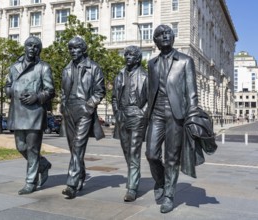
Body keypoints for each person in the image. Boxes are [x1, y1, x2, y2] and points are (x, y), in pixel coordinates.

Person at [145, 24, 199, 213]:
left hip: (177, 114)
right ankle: (160, 181)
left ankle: (169, 194)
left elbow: (192, 92)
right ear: (156, 41)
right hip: (156, 113)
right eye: (160, 34)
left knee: (171, 157)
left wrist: (192, 116)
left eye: (168, 33)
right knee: (151, 154)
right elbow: (149, 90)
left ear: (173, 37)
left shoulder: (185, 61)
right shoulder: (151, 64)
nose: (165, 35)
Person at [5, 36, 55, 195]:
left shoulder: (43, 67)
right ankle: (43, 164)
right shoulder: (14, 67)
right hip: (18, 112)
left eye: (36, 46)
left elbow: (50, 90)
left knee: (32, 149)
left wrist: (37, 97)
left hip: (35, 113)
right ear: (25, 47)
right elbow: (7, 85)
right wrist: (11, 91)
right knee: (21, 147)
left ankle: (30, 182)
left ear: (39, 50)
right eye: (29, 46)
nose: (32, 49)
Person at [61, 36, 106, 199]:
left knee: (78, 145)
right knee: (74, 148)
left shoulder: (93, 67)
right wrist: (63, 106)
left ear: (83, 49)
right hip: (69, 110)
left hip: (84, 109)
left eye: (76, 48)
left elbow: (100, 90)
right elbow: (63, 91)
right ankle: (80, 175)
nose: (73, 51)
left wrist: (90, 105)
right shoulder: (66, 69)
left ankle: (71, 184)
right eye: (70, 48)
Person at [112, 46, 148, 202]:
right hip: (122, 115)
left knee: (134, 152)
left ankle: (132, 187)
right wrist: (116, 112)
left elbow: (150, 99)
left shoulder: (145, 76)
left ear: (138, 58)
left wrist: (142, 113)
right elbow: (114, 97)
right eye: (126, 54)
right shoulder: (119, 75)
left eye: (131, 55)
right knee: (127, 151)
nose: (127, 57)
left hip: (137, 116)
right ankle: (134, 175)